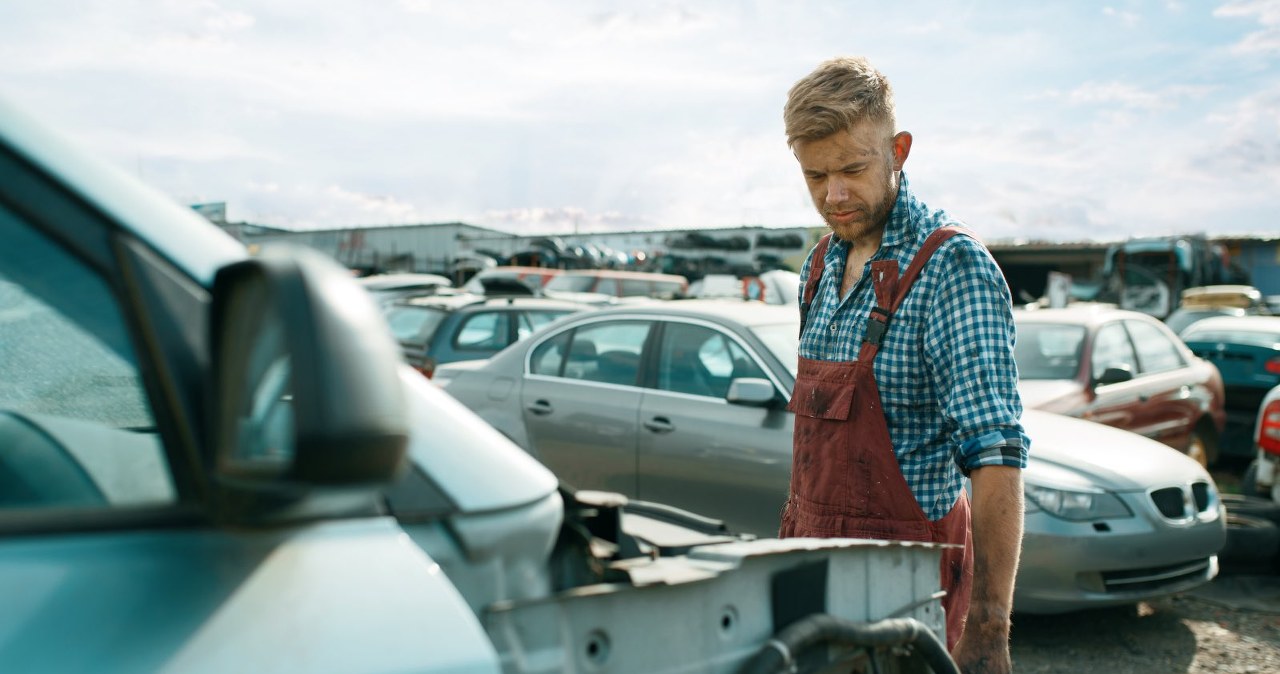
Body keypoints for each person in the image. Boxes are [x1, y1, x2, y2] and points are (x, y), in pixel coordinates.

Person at [777, 56, 1028, 674]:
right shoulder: (818, 267)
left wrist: (989, 625)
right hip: (811, 574)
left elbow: (995, 455)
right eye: (815, 175)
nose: (834, 195)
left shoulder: (951, 267)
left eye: (853, 169)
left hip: (907, 594)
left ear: (899, 150)